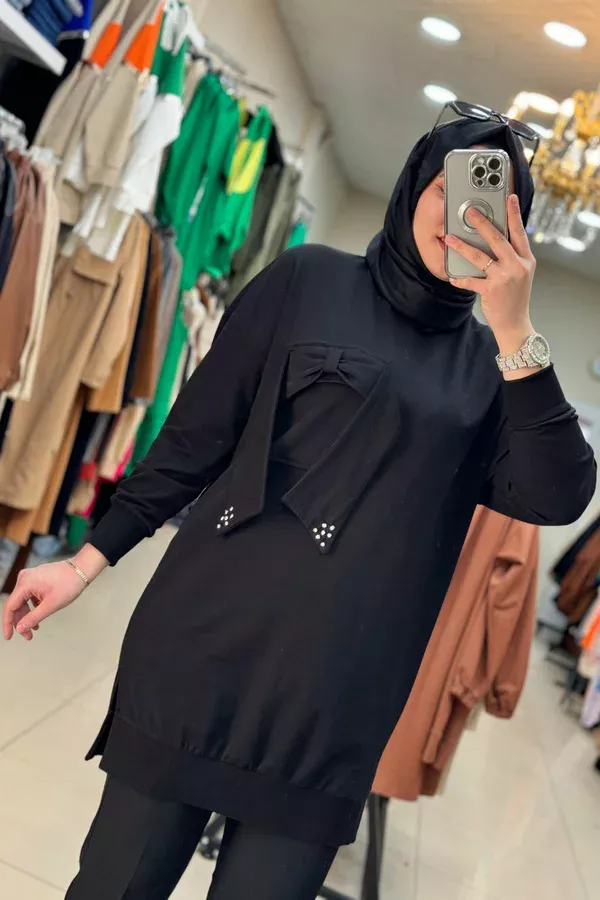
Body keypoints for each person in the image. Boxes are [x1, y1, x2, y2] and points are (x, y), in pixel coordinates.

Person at [3, 115, 596, 899]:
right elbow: (194, 440)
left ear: (518, 230)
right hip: (201, 649)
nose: (467, 214)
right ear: (415, 188)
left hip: (335, 703)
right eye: (451, 187)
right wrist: (84, 562)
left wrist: (516, 328)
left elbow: (560, 493)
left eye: (496, 203)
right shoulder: (308, 280)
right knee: (116, 885)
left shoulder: (492, 370)